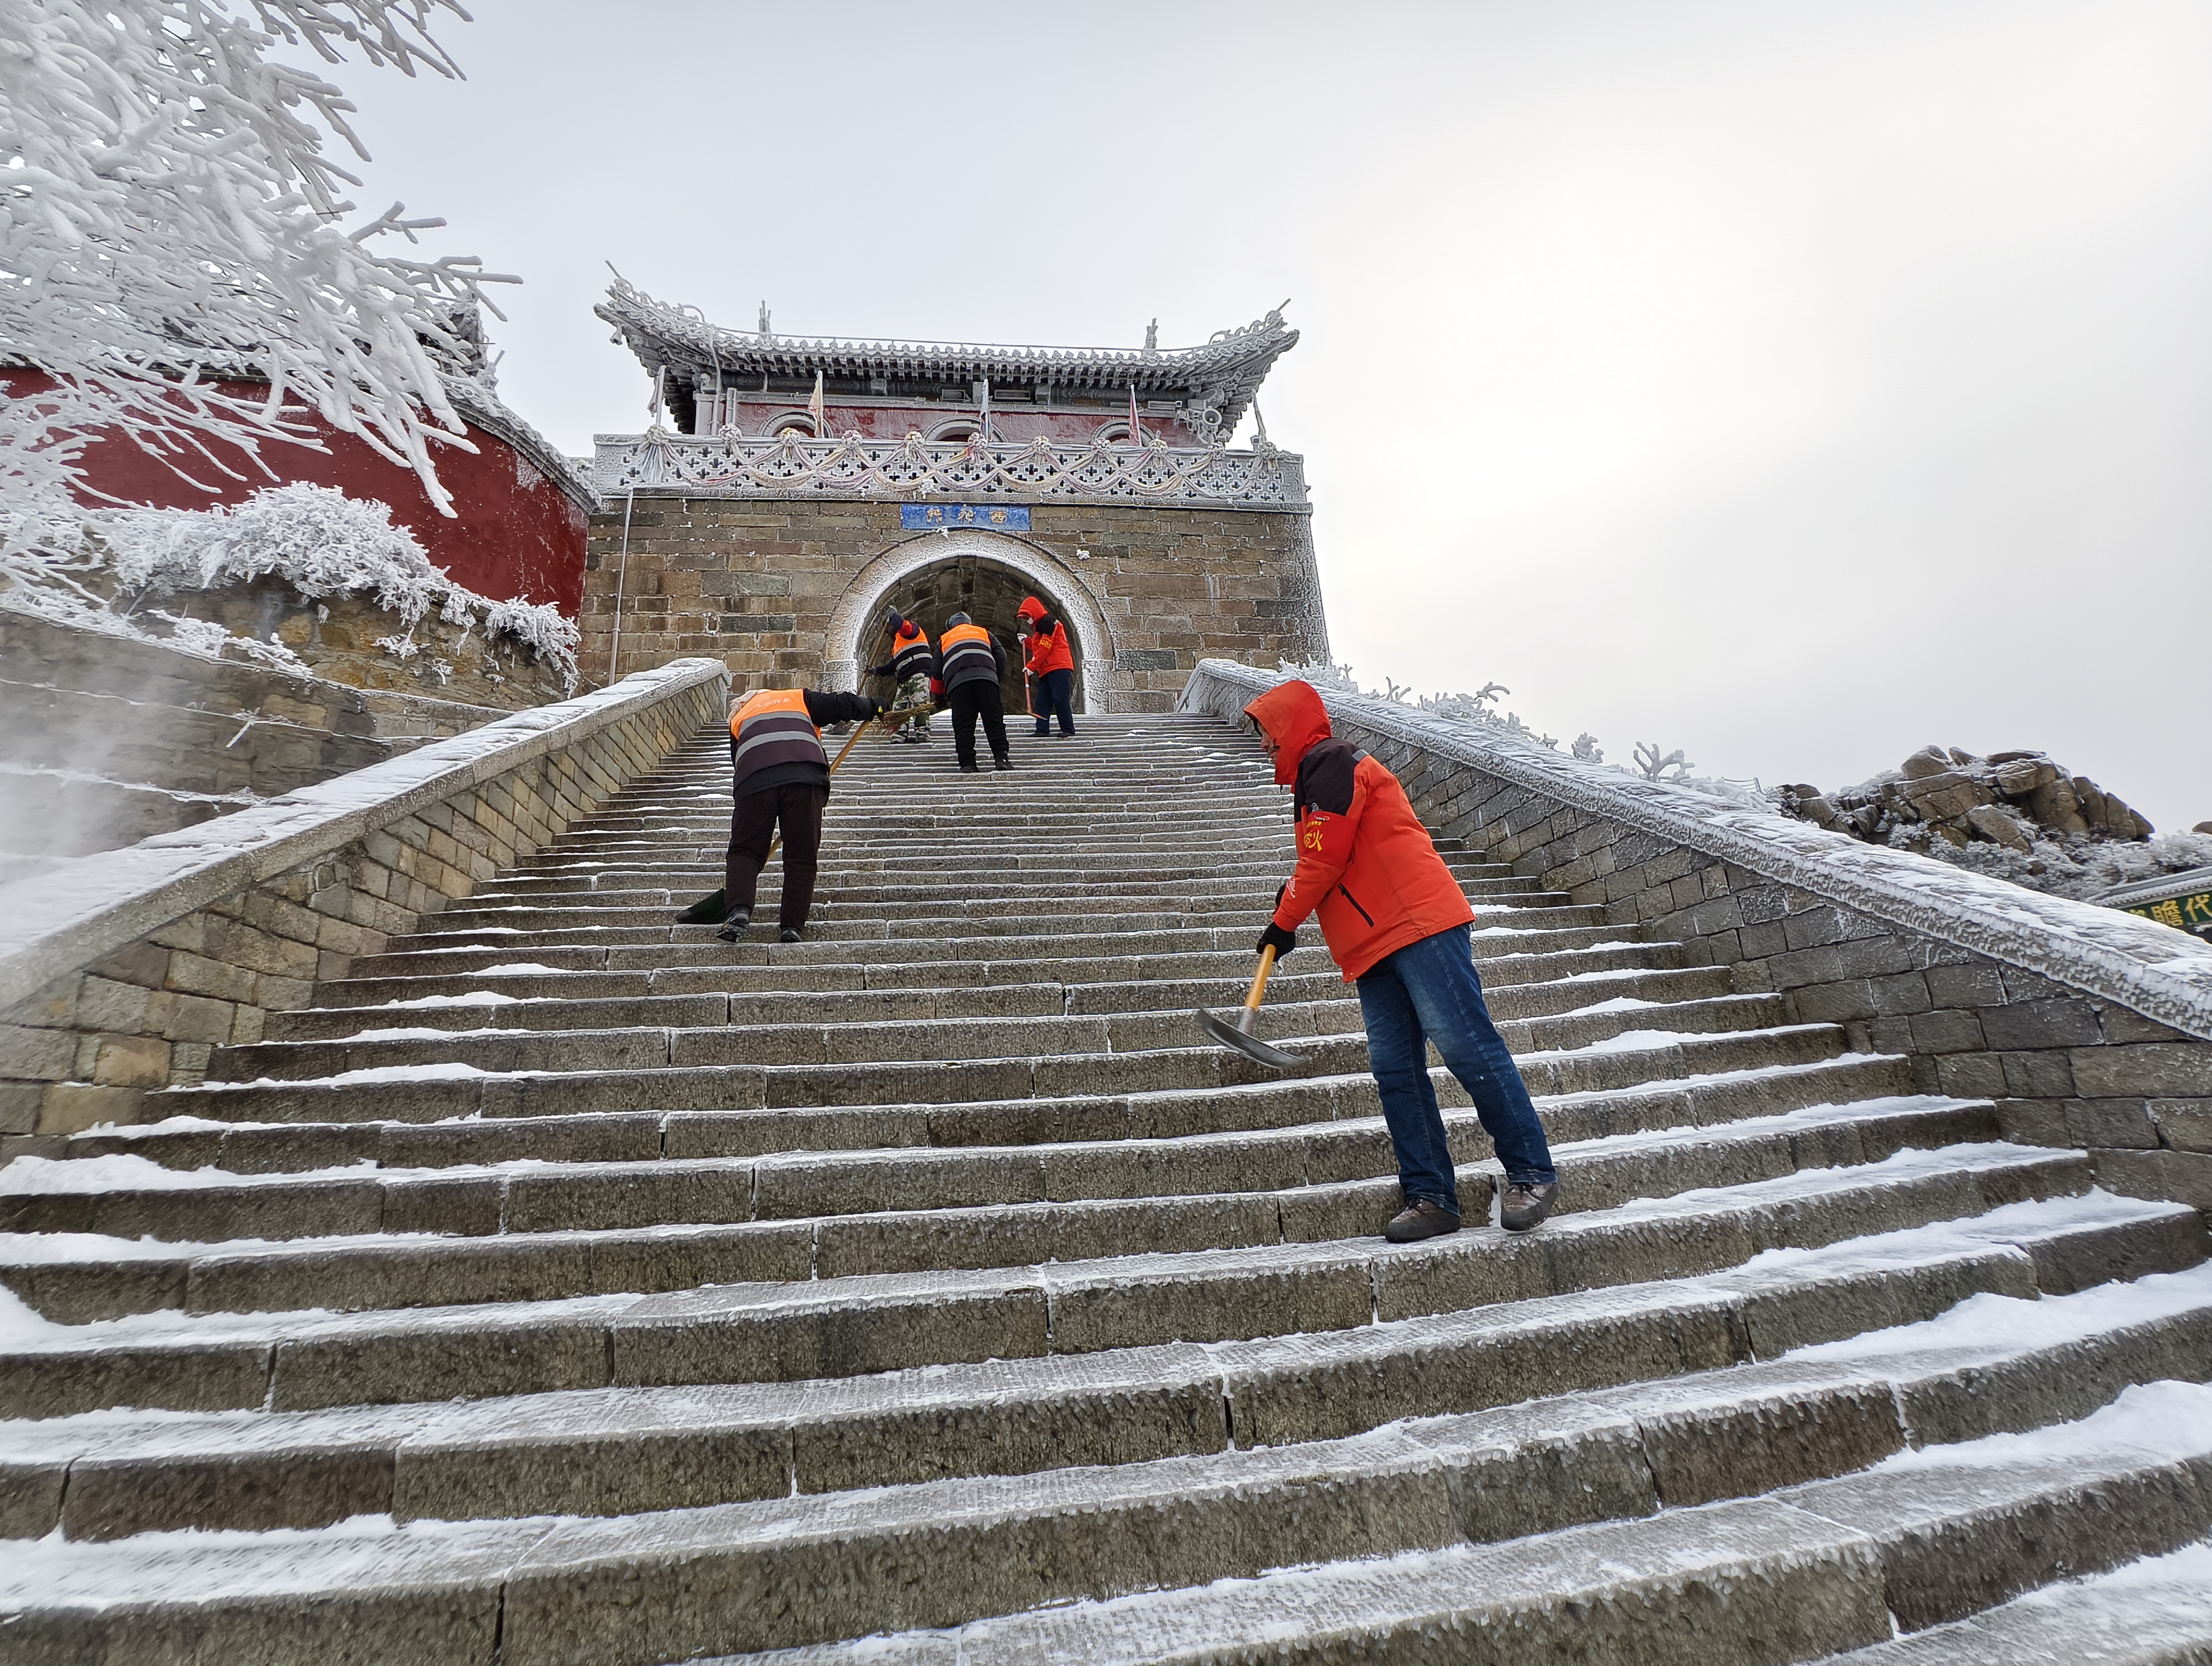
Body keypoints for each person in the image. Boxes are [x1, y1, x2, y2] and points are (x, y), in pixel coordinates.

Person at [1243, 679, 1560, 1242]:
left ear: (1291, 727)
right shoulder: (1316, 779)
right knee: (1395, 1073)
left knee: (1466, 1046)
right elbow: (1326, 858)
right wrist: (1290, 895)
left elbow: (1326, 858)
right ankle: (1431, 1196)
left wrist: (1284, 921)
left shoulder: (1331, 760)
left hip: (1418, 924)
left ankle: (1531, 1171)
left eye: (1268, 732)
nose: (1264, 745)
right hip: (1373, 946)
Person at [720, 682, 881, 943]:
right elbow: (842, 704)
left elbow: (738, 760)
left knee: (745, 851)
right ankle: (792, 926)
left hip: (755, 781)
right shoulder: (798, 698)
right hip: (804, 777)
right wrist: (875, 706)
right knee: (801, 857)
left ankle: (739, 908)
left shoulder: (739, 718)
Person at [936, 610, 1011, 772]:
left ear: (951, 626)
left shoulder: (945, 639)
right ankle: (1002, 758)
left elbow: (936, 671)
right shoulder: (984, 633)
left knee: (964, 725)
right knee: (994, 721)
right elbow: (1001, 655)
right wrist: (995, 679)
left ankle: (968, 763)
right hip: (986, 681)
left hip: (959, 685)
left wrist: (940, 697)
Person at [868, 607, 935, 743]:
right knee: (899, 708)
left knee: (919, 703)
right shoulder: (897, 645)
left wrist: (893, 615)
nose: (888, 633)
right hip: (903, 680)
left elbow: (902, 625)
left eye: (888, 629)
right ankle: (899, 735)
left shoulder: (911, 632)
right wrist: (876, 671)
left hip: (918, 675)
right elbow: (893, 667)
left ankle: (923, 733)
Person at [1017, 595, 1076, 738]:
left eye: (1027, 617)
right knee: (1043, 700)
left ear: (1033, 612)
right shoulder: (1040, 630)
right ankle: (1042, 729)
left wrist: (1031, 666)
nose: (1027, 620)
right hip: (1046, 671)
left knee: (1060, 697)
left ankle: (1068, 729)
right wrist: (1027, 641)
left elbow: (1045, 647)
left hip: (1058, 667)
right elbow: (1039, 646)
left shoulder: (1048, 623)